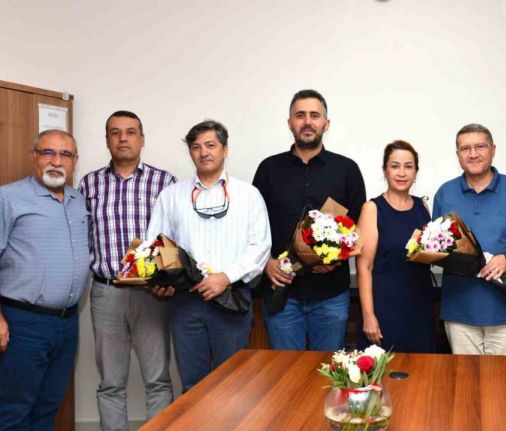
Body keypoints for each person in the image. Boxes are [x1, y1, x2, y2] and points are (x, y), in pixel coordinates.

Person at [147, 120, 271, 392]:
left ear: (225, 150)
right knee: (193, 387)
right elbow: (158, 246)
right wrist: (162, 280)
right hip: (186, 303)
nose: (203, 152)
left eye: (211, 145)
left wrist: (226, 277)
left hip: (232, 300)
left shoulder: (249, 195)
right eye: (196, 147)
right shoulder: (171, 196)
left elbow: (260, 247)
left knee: (234, 386)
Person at [79, 111, 176, 430]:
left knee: (158, 379)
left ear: (142, 139)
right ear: (107, 140)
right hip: (106, 292)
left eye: (131, 132)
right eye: (115, 132)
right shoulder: (89, 183)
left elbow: (174, 236)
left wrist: (169, 280)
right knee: (111, 382)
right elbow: (83, 235)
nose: (123, 138)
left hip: (152, 293)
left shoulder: (164, 181)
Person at [253, 89, 366, 351]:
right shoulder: (268, 169)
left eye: (314, 115)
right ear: (289, 123)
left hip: (331, 295)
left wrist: (338, 259)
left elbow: (359, 227)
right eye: (300, 115)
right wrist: (265, 263)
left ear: (326, 124)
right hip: (282, 293)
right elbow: (252, 227)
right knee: (285, 371)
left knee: (329, 370)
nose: (307, 121)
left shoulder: (346, 169)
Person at [0, 130, 90, 430]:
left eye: (65, 155)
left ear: (75, 162)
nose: (57, 161)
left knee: (48, 406)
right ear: (33, 157)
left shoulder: (78, 200)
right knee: (14, 409)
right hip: (23, 323)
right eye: (48, 152)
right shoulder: (8, 198)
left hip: (67, 323)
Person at [432, 123, 506, 355]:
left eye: (480, 146)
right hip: (460, 312)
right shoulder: (445, 193)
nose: (473, 154)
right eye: (466, 148)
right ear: (458, 154)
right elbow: (436, 248)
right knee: (465, 378)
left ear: (493, 150)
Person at [356, 140, 435, 353]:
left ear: (416, 172)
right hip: (384, 310)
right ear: (385, 170)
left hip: (420, 307)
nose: (402, 173)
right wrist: (368, 315)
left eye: (408, 166)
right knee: (382, 371)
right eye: (395, 166)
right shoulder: (372, 208)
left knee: (422, 371)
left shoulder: (423, 207)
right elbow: (364, 267)